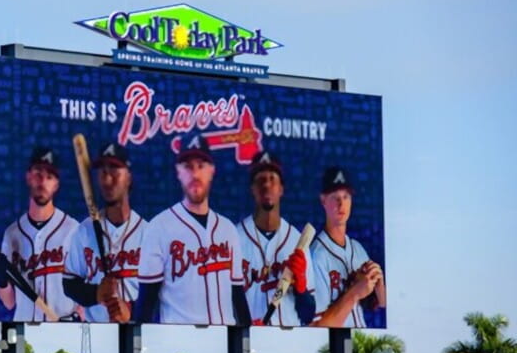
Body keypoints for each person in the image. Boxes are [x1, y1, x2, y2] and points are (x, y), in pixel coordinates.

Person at [133, 135, 250, 326]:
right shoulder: (159, 228)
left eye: (201, 165)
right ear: (178, 172)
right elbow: (146, 304)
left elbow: (238, 297)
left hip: (225, 343)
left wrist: (248, 341)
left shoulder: (228, 229)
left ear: (212, 170)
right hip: (178, 344)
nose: (195, 174)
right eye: (188, 166)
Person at [63, 142, 146, 322]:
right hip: (96, 328)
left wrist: (131, 310)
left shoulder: (148, 233)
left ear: (129, 177)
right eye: (102, 171)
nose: (107, 178)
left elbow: (162, 291)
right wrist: (96, 294)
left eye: (115, 169)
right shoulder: (84, 231)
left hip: (141, 329)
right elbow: (69, 284)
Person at [0, 147, 80, 322]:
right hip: (24, 323)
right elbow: (9, 303)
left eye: (49, 177)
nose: (43, 181)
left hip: (64, 325)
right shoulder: (12, 233)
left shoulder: (73, 230)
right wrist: (2, 280)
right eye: (38, 173)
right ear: (28, 177)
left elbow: (88, 290)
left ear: (56, 184)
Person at [236, 151, 316, 326]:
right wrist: (242, 324)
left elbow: (308, 315)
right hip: (246, 337)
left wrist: (301, 288)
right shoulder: (234, 238)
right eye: (260, 179)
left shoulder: (296, 239)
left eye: (272, 179)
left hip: (287, 342)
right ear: (252, 189)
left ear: (281, 189)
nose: (266, 185)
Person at [311, 166, 386, 327]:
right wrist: (354, 292)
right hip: (326, 345)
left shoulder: (357, 249)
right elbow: (317, 326)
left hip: (360, 340)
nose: (341, 203)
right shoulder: (316, 255)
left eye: (346, 197)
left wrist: (380, 287)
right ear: (323, 200)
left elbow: (378, 305)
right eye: (335, 197)